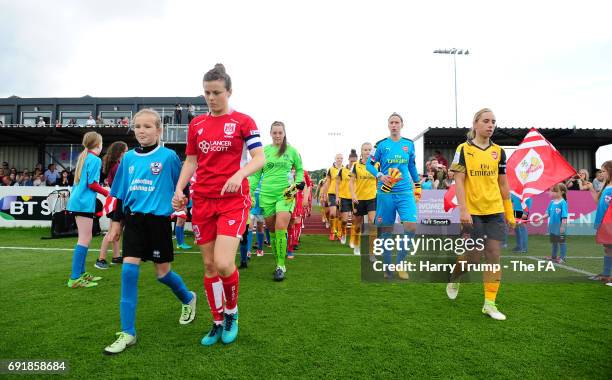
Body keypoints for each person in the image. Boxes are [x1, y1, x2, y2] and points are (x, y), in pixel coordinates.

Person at [172, 64, 265, 346]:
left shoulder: (243, 122)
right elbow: (191, 161)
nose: (211, 98)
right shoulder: (196, 124)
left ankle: (232, 313)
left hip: (233, 201)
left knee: (225, 263)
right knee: (210, 264)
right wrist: (179, 188)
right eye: (207, 93)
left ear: (229, 92)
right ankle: (216, 320)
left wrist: (239, 175)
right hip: (202, 199)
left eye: (216, 93)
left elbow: (259, 158)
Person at [102, 109, 197, 355]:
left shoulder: (169, 158)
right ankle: (128, 332)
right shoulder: (129, 159)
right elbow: (120, 194)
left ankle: (188, 298)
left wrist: (181, 201)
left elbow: (182, 189)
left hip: (157, 223)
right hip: (133, 221)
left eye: (147, 126)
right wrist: (115, 223)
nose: (142, 131)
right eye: (138, 126)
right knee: (128, 272)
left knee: (162, 274)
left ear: (159, 130)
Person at [445, 108, 515, 321]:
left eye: (493, 121)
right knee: (472, 259)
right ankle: (455, 276)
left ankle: (490, 304)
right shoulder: (463, 149)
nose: (491, 125)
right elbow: (458, 180)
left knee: (493, 254)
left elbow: (503, 183)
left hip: (494, 211)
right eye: (486, 121)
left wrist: (510, 211)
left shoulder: (500, 152)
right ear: (475, 124)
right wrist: (463, 209)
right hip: (472, 212)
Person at [366, 113, 421, 280]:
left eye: (397, 122)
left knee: (411, 227)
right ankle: (388, 266)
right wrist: (380, 175)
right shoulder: (381, 145)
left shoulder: (409, 145)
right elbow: (369, 164)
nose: (394, 125)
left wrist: (417, 184)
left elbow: (411, 165)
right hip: (386, 192)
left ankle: (400, 262)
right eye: (391, 122)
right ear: (388, 125)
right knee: (386, 231)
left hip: (405, 192)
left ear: (402, 124)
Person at [254, 121, 303, 281]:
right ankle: (278, 262)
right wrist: (248, 191)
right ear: (270, 133)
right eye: (274, 133)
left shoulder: (292, 151)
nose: (277, 136)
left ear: (284, 133)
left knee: (281, 227)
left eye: (280, 133)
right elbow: (255, 174)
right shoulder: (264, 151)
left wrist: (299, 183)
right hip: (266, 195)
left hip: (286, 193)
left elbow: (300, 169)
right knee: (272, 231)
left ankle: (281, 266)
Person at [66, 132, 108, 288]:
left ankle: (81, 274)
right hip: (82, 203)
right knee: (84, 239)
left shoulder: (85, 157)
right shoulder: (95, 159)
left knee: (86, 237)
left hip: (79, 201)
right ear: (98, 144)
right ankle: (75, 278)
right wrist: (108, 193)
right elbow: (92, 184)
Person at [95, 141, 128, 270]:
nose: (126, 153)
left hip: (116, 200)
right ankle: (101, 258)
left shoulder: (115, 165)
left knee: (116, 231)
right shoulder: (117, 166)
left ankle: (116, 256)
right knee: (113, 231)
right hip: (117, 200)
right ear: (120, 152)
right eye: (125, 151)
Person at [349, 142, 378, 258]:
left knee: (373, 224)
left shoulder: (377, 164)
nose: (367, 152)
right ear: (361, 152)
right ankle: (356, 246)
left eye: (369, 150)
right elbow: (351, 182)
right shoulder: (355, 165)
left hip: (372, 198)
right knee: (357, 224)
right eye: (365, 150)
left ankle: (372, 253)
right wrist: (353, 195)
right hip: (358, 199)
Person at [589, 161, 612, 285]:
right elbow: (598, 203)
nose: (601, 173)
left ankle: (608, 274)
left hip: (609, 223)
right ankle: (606, 274)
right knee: (608, 248)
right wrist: (591, 188)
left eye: (603, 171)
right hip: (603, 223)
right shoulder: (606, 185)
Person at [536, 184, 568, 263]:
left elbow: (564, 216)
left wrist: (562, 227)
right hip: (552, 226)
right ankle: (553, 257)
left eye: (555, 191)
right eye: (553, 191)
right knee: (554, 242)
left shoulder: (563, 203)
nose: (553, 193)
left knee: (561, 242)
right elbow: (548, 214)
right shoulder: (552, 202)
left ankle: (562, 258)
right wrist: (540, 218)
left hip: (560, 226)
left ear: (562, 192)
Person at [287, 169, 312, 258]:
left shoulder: (303, 171)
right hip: (286, 193)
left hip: (297, 196)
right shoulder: (285, 168)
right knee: (283, 221)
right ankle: (286, 245)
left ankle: (292, 245)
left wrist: (305, 198)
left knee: (294, 220)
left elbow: (307, 185)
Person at [336, 149, 357, 245]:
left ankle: (352, 240)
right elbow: (337, 184)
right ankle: (343, 235)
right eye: (351, 161)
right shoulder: (342, 170)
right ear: (348, 159)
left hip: (356, 198)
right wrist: (337, 197)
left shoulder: (359, 169)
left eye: (355, 161)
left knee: (354, 220)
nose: (353, 162)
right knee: (344, 220)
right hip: (344, 197)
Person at [322, 154, 344, 240]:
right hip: (332, 193)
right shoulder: (330, 169)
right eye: (338, 158)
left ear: (343, 159)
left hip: (342, 194)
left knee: (340, 214)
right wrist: (324, 193)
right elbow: (327, 182)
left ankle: (339, 232)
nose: (339, 159)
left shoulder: (345, 169)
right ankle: (332, 231)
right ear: (335, 159)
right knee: (332, 213)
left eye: (341, 158)